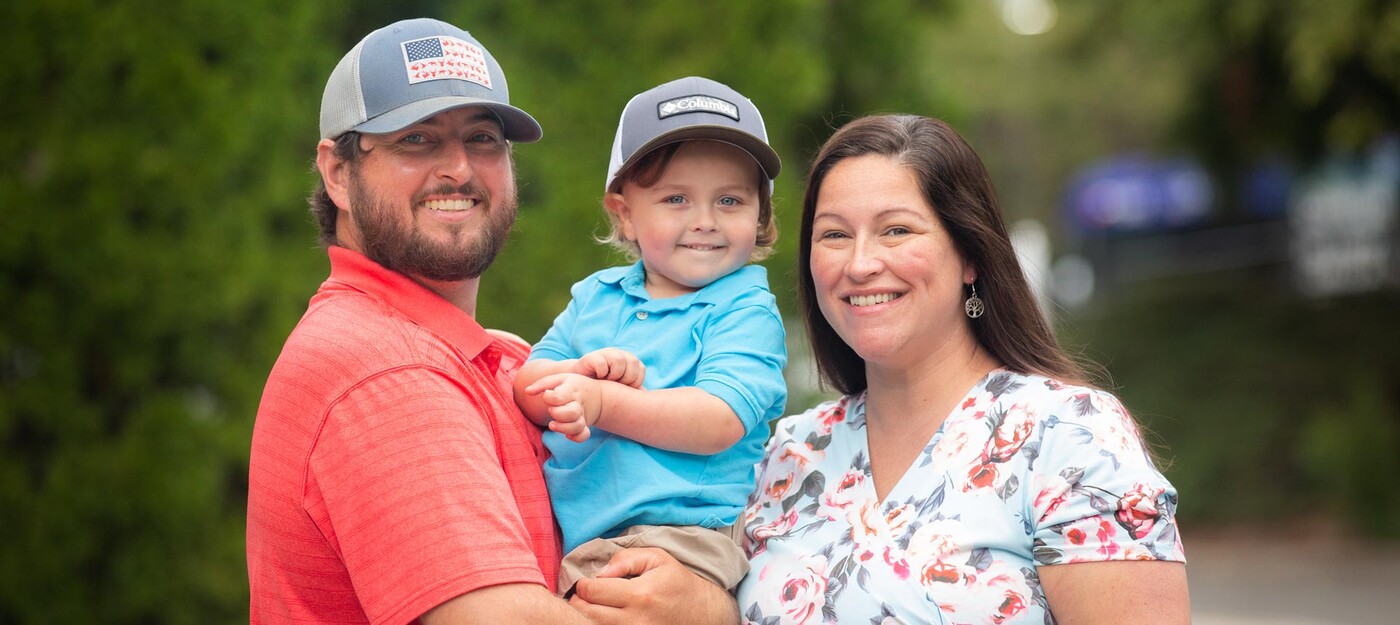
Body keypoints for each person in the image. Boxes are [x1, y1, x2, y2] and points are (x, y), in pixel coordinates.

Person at [246, 18, 735, 625]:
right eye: (416, 140)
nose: (458, 168)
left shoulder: (500, 362)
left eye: (482, 138)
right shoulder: (383, 368)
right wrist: (712, 610)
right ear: (338, 173)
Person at [736, 115, 1189, 624]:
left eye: (896, 230)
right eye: (835, 235)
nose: (860, 264)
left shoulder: (1068, 436)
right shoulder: (788, 453)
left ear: (970, 254)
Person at [512, 76, 788, 597]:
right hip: (581, 534)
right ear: (625, 214)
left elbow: (718, 419)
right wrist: (575, 376)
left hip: (683, 535)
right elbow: (528, 386)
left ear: (760, 214)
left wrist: (602, 401)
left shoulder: (745, 309)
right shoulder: (597, 296)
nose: (705, 221)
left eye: (730, 200)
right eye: (676, 198)